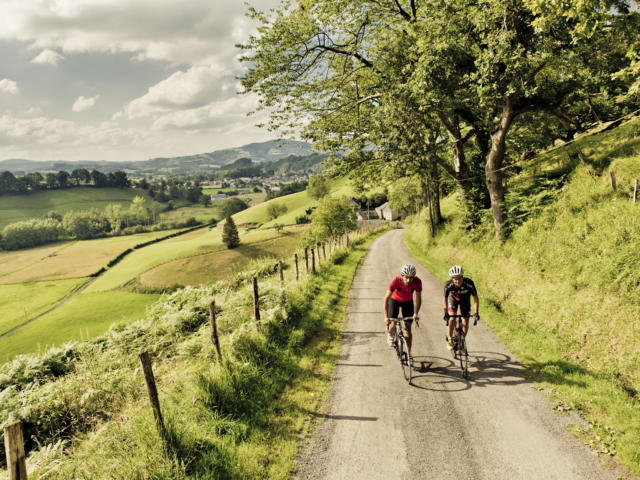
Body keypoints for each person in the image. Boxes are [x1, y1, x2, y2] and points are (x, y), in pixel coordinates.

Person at [384, 263, 422, 354]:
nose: (409, 280)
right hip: (395, 300)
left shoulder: (417, 282)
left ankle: (409, 354)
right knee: (393, 323)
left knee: (408, 328)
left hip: (408, 302)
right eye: (406, 277)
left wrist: (416, 313)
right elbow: (386, 299)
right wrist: (386, 317)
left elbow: (418, 299)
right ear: (402, 276)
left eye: (411, 278)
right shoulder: (396, 280)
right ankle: (390, 334)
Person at [443, 265, 479, 350]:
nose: (458, 281)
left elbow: (475, 298)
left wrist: (476, 312)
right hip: (453, 299)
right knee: (452, 318)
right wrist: (446, 313)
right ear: (452, 279)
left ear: (462, 277)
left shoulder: (469, 283)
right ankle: (450, 339)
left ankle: (462, 340)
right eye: (455, 279)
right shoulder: (448, 285)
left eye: (459, 278)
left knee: (465, 321)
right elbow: (444, 299)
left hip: (465, 300)